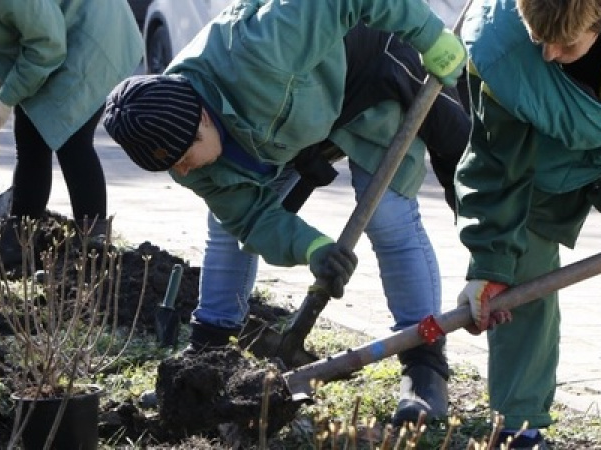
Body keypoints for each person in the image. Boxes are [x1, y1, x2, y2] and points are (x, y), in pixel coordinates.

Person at [102, 0, 468, 425]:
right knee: (225, 228)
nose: (181, 172)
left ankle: (424, 365)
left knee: (389, 217)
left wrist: (428, 35)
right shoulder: (179, 148)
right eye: (172, 166)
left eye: (184, 157)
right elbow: (250, 218)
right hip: (291, 119)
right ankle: (208, 353)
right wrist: (312, 246)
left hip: (363, 74)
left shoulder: (263, 46)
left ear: (203, 116)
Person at [455, 0, 601, 447]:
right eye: (541, 39)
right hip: (537, 162)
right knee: (520, 274)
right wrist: (488, 263)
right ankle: (520, 427)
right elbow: (497, 164)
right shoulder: (507, 48)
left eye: (565, 44)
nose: (549, 54)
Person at [0, 0, 143, 276]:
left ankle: (94, 249)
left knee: (72, 140)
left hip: (90, 34)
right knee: (31, 140)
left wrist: (6, 100)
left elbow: (47, 46)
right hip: (56, 34)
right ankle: (17, 244)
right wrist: (3, 91)